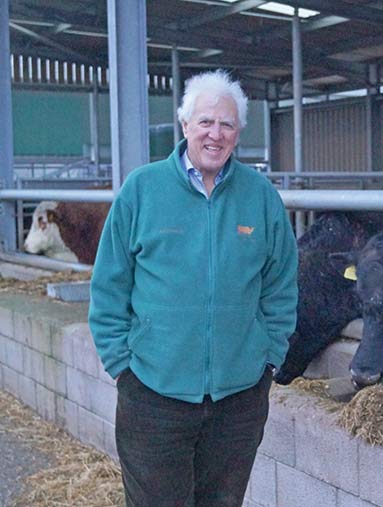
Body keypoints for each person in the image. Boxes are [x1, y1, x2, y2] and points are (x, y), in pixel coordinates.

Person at [89, 69, 298, 507]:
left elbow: (280, 285)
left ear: (238, 133)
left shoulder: (260, 197)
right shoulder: (141, 191)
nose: (215, 134)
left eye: (226, 124)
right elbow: (109, 286)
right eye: (205, 121)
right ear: (185, 125)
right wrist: (123, 368)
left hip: (238, 399)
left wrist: (268, 359)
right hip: (152, 394)